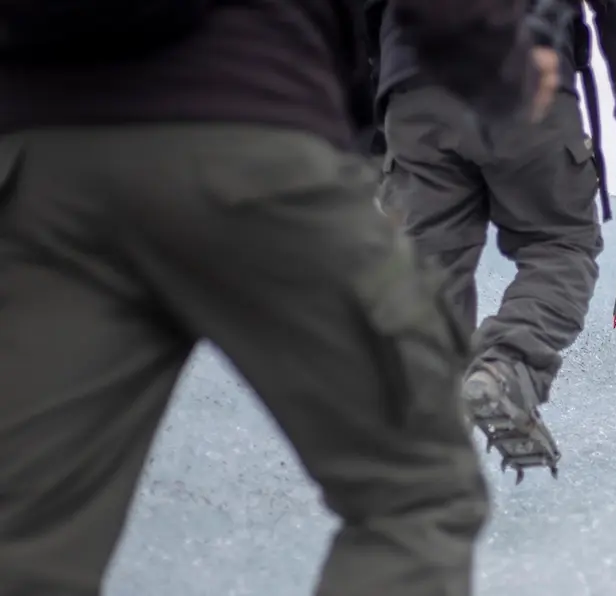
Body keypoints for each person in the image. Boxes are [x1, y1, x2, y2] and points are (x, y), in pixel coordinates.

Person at [0, 1, 562, 594]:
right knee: (415, 489)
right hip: (248, 140)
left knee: (25, 529)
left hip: (41, 164)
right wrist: (508, 64)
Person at [373, 0, 616, 482]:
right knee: (562, 246)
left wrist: (372, 134)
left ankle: (424, 444)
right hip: (527, 73)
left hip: (413, 94)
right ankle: (507, 368)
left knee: (426, 267)